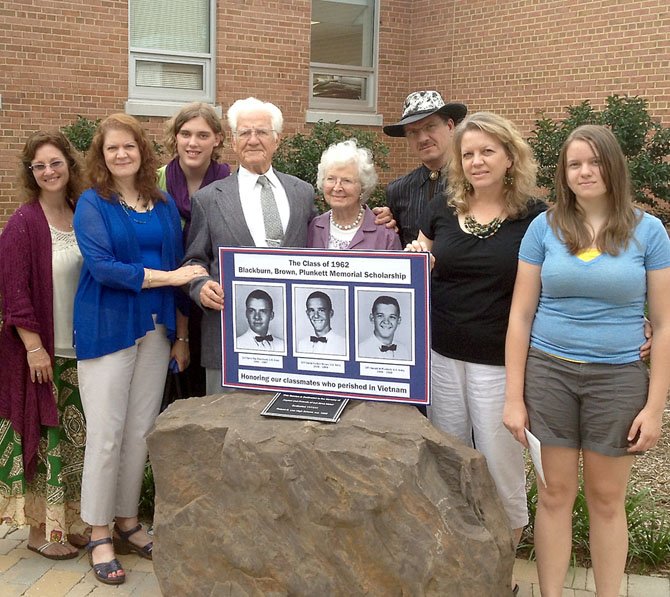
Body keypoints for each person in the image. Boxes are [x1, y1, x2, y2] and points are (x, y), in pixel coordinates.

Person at [504, 125, 670, 597]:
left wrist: (655, 407)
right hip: (549, 372)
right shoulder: (545, 228)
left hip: (617, 380)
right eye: (575, 164)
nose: (584, 172)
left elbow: (664, 321)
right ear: (564, 173)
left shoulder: (648, 231)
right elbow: (520, 315)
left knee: (606, 498)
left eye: (594, 162)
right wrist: (513, 397)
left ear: (612, 166)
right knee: (554, 495)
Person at [406, 112, 545, 593]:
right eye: (468, 154)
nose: (477, 161)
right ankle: (459, 572)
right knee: (449, 466)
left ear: (510, 157)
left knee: (501, 470)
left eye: (487, 151)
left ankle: (499, 577)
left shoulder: (536, 217)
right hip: (441, 357)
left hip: (499, 365)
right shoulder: (443, 210)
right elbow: (418, 259)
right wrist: (413, 257)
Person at [73, 113, 206, 585]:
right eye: (112, 148)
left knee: (139, 431)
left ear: (142, 152)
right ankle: (99, 531)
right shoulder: (92, 204)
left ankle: (128, 520)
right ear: (101, 156)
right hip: (108, 327)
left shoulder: (164, 203)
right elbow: (105, 267)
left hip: (156, 330)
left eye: (129, 146)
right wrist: (171, 279)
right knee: (106, 434)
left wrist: (182, 335)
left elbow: (181, 264)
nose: (121, 154)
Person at [0, 131, 88, 560]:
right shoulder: (23, 223)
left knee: (76, 443)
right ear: (31, 173)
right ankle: (39, 532)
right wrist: (34, 348)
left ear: (69, 165)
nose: (49, 171)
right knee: (45, 437)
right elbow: (13, 293)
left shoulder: (82, 214)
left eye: (55, 162)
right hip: (41, 354)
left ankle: (67, 525)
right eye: (40, 166)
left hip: (82, 350)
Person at [158, 102, 231, 398]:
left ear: (217, 139)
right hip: (164, 298)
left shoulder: (230, 184)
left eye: (202, 135)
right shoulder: (155, 181)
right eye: (185, 133)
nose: (192, 143)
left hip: (212, 306)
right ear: (175, 137)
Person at [384, 90, 467, 246]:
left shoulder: (473, 181)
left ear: (450, 126)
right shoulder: (398, 190)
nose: (423, 138)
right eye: (413, 132)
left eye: (430, 127)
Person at [308, 139, 401, 250]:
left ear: (363, 186)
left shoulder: (385, 233)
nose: (337, 188)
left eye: (347, 181)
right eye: (331, 179)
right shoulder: (314, 227)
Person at [358, 295, 410, 360]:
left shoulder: (404, 350)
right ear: (372, 318)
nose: (386, 321)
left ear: (398, 320)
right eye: (380, 316)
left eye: (392, 317)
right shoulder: (360, 350)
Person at [297, 291, 346, 355]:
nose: (316, 315)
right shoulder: (301, 344)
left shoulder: (343, 344)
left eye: (321, 310)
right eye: (312, 310)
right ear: (307, 314)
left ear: (330, 313)